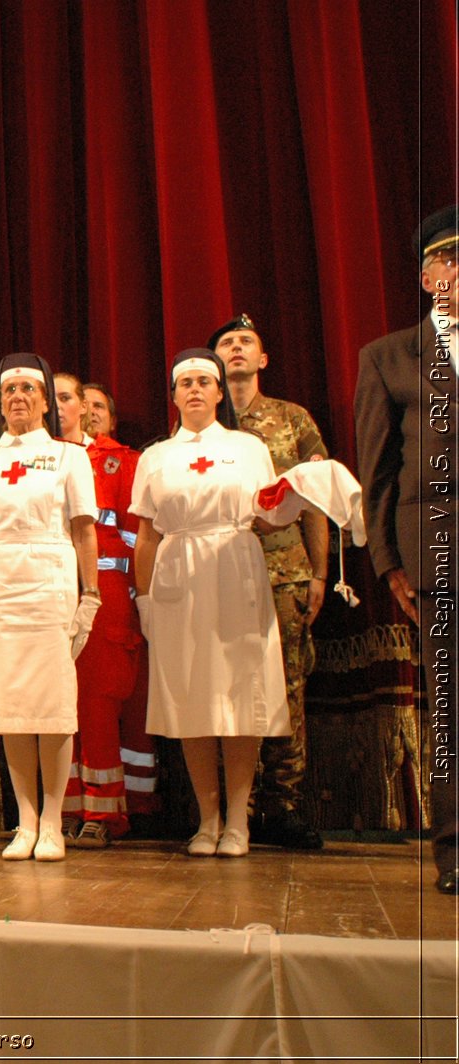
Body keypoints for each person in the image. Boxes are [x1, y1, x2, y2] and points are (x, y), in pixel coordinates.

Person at [132, 349, 289, 858]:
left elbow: (269, 516)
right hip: (179, 577)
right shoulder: (154, 457)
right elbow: (146, 537)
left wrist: (296, 499)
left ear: (220, 392)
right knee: (192, 698)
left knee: (239, 697)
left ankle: (238, 821)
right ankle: (207, 819)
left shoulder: (248, 448)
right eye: (186, 383)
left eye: (205, 381)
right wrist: (146, 599)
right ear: (174, 395)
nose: (195, 390)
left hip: (236, 570)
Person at [0, 355, 99, 862]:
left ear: (44, 401)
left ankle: (55, 822)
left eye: (28, 389)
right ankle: (25, 821)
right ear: (0, 400)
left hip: (50, 584)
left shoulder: (68, 457)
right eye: (9, 389)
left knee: (52, 707)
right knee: (11, 707)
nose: (18, 396)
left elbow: (84, 528)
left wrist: (92, 594)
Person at [354, 205, 459, 894]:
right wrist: (389, 561)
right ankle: (455, 847)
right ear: (429, 276)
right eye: (452, 259)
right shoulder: (391, 355)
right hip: (438, 551)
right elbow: (378, 469)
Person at [208, 313, 330, 850]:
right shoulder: (198, 427)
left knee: (287, 687)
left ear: (262, 359)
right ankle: (237, 806)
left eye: (245, 342)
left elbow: (315, 501)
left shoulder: (291, 420)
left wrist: (321, 572)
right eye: (226, 344)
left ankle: (283, 807)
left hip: (283, 572)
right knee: (225, 686)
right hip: (217, 574)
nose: (236, 349)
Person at [54, 373, 142, 848]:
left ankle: (103, 810)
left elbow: (135, 534)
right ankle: (63, 807)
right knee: (56, 704)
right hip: (47, 594)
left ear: (85, 408)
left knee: (98, 702)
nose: (61, 406)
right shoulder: (29, 461)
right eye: (55, 398)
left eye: (68, 397)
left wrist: (132, 595)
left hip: (106, 599)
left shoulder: (117, 461)